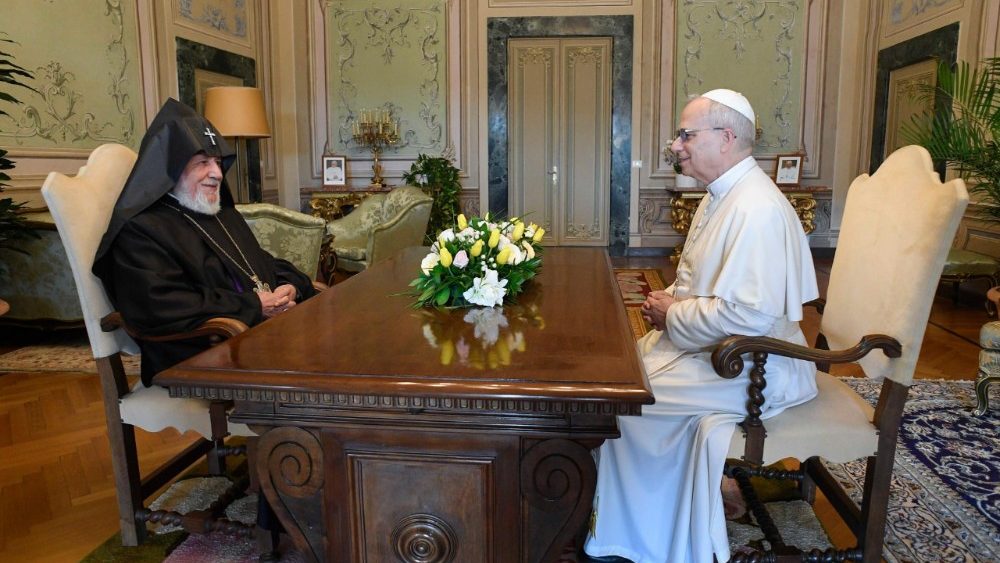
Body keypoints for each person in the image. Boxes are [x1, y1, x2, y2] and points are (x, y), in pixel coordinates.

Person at [583, 90, 819, 563]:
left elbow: (749, 318)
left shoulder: (756, 209)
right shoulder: (724, 195)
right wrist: (671, 302)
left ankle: (642, 539)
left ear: (726, 138)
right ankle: (647, 517)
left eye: (686, 135)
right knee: (613, 378)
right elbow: (706, 283)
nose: (676, 145)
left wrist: (673, 314)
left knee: (623, 403)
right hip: (726, 355)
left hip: (756, 367)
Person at [93, 99, 317, 387]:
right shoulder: (141, 229)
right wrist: (253, 305)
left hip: (251, 336)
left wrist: (290, 286)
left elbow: (262, 264)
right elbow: (161, 305)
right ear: (170, 168)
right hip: (199, 356)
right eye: (202, 163)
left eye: (218, 162)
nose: (218, 174)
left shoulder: (219, 213)